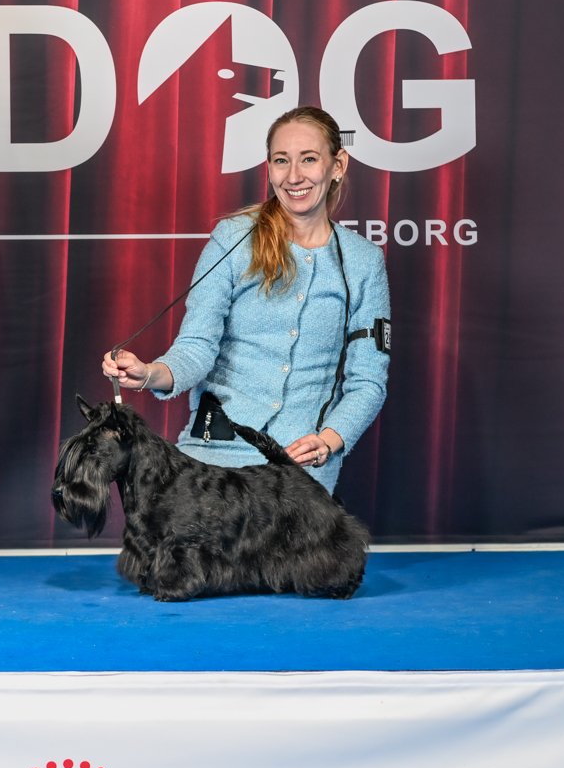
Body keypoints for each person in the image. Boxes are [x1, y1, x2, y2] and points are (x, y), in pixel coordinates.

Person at [102, 107, 389, 494]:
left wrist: (329, 440)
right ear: (269, 167)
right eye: (281, 161)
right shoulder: (232, 238)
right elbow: (196, 346)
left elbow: (368, 381)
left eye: (309, 159)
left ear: (337, 165)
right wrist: (149, 373)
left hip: (300, 465)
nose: (293, 176)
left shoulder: (363, 262)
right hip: (213, 458)